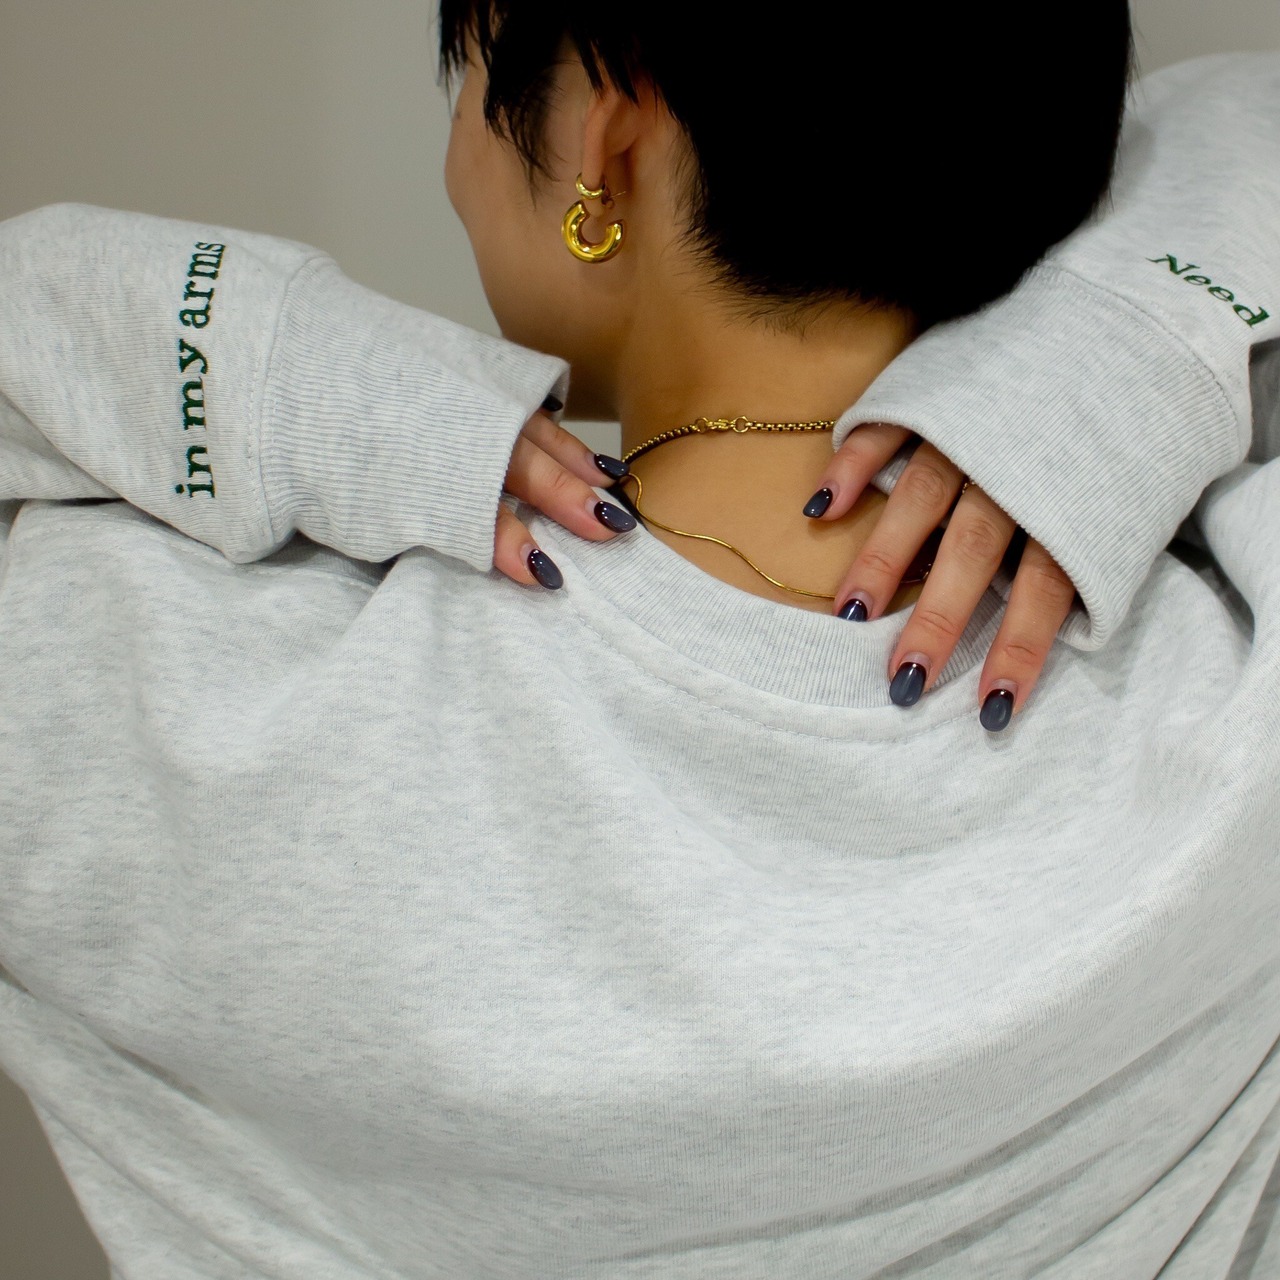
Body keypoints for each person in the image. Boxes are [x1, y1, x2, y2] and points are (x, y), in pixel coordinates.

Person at [0, 3, 1278, 1276]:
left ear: (603, 142)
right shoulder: (1231, 691)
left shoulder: (174, 690)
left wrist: (288, 376)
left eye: (470, 78)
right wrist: (1129, 353)